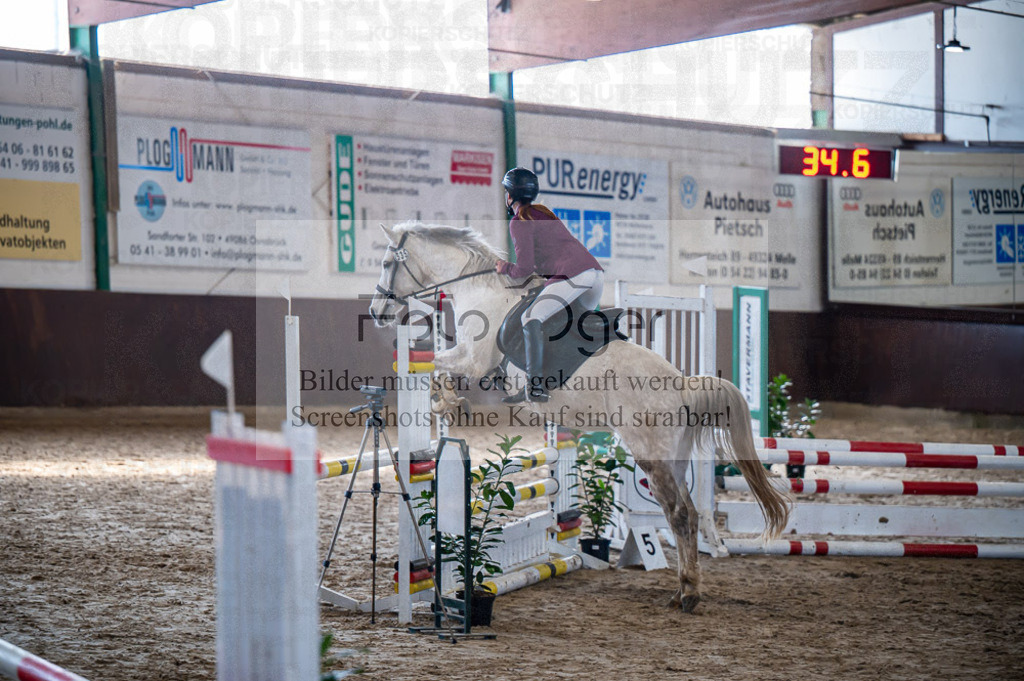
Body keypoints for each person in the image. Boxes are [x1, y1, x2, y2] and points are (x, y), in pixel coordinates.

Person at [495, 167, 605, 404]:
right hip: (595, 275)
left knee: (530, 318)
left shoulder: (519, 221)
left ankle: (535, 386)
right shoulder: (544, 213)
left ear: (510, 195)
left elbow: (524, 269)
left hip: (573, 276)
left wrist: (504, 268)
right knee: (566, 325)